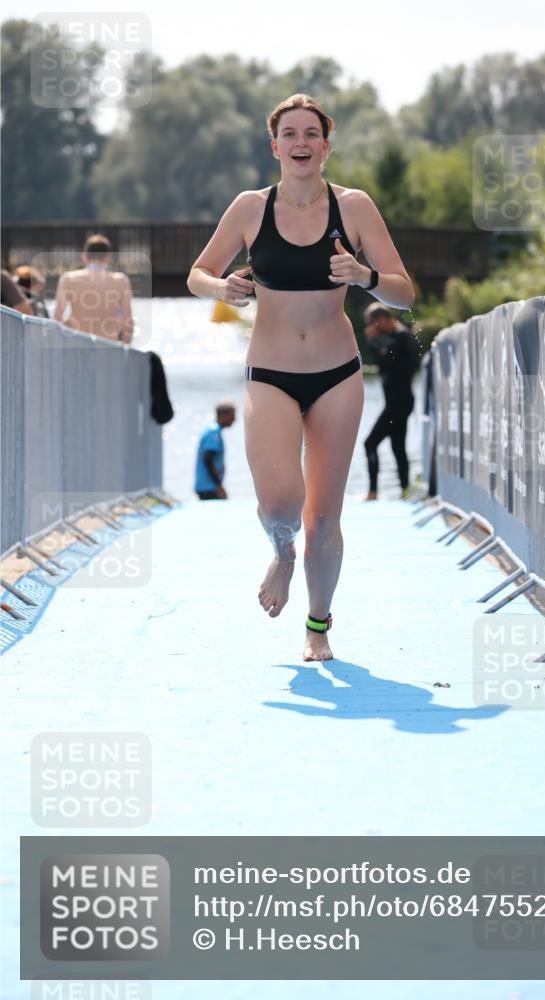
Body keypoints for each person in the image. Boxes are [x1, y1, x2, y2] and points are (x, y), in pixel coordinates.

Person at [187, 93, 414, 661]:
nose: (301, 143)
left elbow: (405, 294)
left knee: (323, 515)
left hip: (338, 375)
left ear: (326, 145)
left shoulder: (355, 207)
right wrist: (223, 288)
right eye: (290, 134)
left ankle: (318, 625)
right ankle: (281, 553)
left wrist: (364, 274)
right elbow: (198, 274)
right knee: (282, 507)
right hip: (270, 374)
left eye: (311, 133)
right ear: (275, 146)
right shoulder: (249, 208)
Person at [363, 302, 419, 500]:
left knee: (370, 443)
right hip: (399, 402)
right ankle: (405, 489)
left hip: (398, 403)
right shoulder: (399, 336)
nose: (373, 329)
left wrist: (372, 342)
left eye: (375, 324)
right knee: (398, 447)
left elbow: (383, 363)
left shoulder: (402, 337)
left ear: (385, 319)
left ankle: (372, 492)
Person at [53, 234, 134, 343]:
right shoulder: (121, 280)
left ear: (85, 257)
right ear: (108, 258)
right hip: (109, 347)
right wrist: (125, 349)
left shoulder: (68, 279)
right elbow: (128, 322)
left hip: (77, 345)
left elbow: (57, 317)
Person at [194, 402, 236, 500]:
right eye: (232, 415)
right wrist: (218, 486)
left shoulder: (212, 429)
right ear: (224, 415)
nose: (234, 420)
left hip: (207, 486)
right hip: (208, 487)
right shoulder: (213, 432)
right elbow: (207, 458)